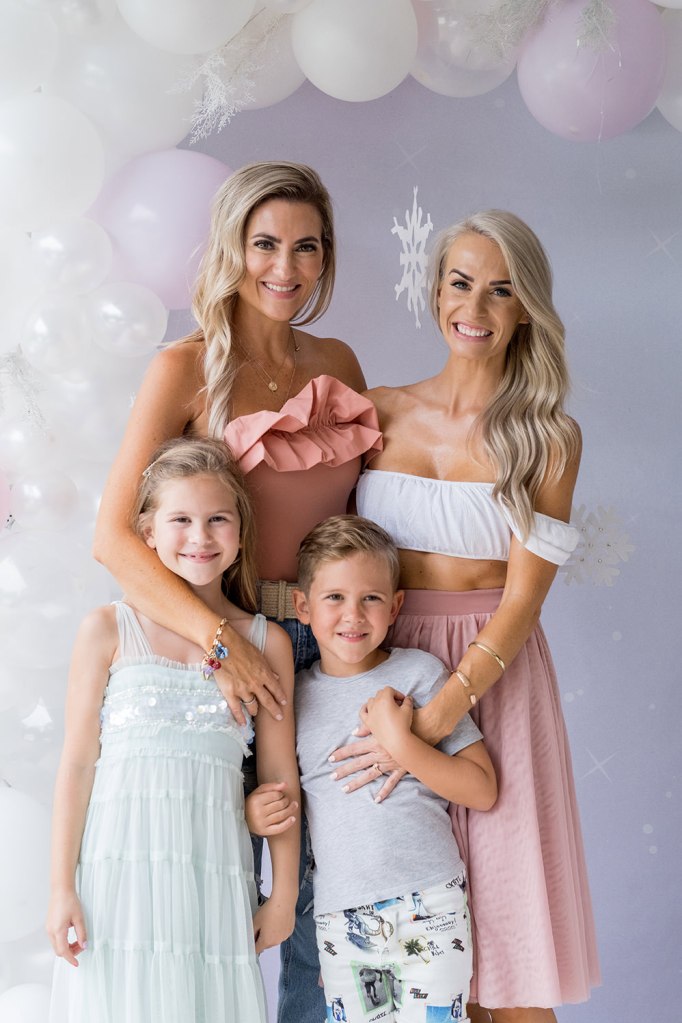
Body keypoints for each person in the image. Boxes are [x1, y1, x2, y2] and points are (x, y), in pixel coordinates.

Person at [92, 161, 380, 1023]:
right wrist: (223, 644)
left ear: (327, 256)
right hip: (232, 645)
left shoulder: (339, 362)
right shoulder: (183, 368)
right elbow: (114, 536)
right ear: (230, 247)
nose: (286, 267)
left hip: (335, 651)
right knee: (218, 876)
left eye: (307, 247)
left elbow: (359, 521)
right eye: (264, 244)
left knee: (329, 886)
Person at [332, 211, 600, 1022]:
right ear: (436, 290)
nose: (475, 307)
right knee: (416, 950)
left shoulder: (548, 436)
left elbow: (523, 598)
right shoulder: (376, 412)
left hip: (495, 678)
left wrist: (444, 709)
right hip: (385, 671)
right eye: (460, 282)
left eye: (501, 290)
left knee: (509, 951)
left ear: (526, 308)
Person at [46, 437, 300, 1023]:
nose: (200, 537)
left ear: (241, 534)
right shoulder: (109, 630)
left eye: (218, 519)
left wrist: (283, 894)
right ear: (148, 533)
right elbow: (77, 765)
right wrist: (61, 888)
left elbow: (279, 777)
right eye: (180, 519)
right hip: (117, 875)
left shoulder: (267, 644)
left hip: (212, 874)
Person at [290, 514, 497, 1021]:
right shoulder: (293, 698)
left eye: (371, 598)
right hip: (343, 916)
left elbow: (481, 789)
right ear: (303, 607)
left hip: (430, 902)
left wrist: (402, 744)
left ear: (396, 606)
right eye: (334, 597)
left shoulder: (420, 673)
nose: (353, 615)